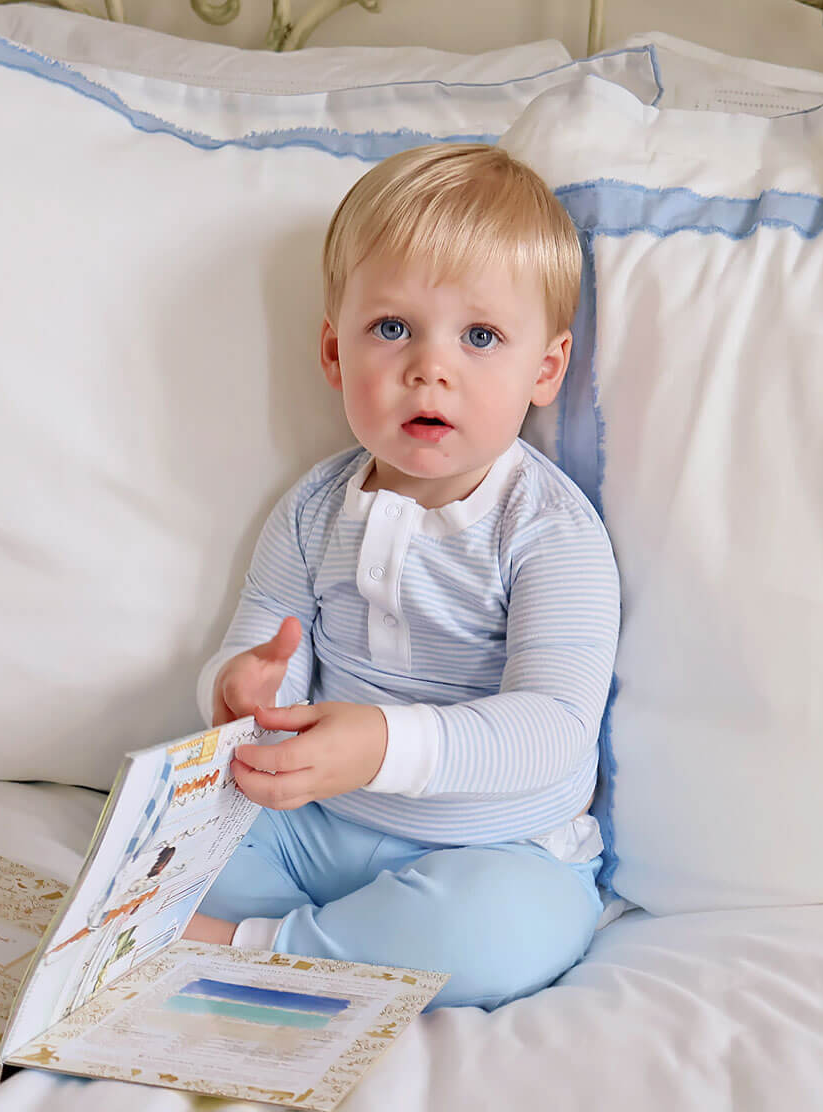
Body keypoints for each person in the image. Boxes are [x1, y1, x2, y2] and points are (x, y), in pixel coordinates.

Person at [183, 143, 620, 1011]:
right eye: (393, 329)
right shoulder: (314, 507)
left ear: (545, 370)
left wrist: (386, 745)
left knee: (506, 931)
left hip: (489, 847)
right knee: (165, 834)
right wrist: (238, 690)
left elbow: (555, 727)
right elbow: (264, 630)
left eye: (481, 336)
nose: (431, 366)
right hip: (317, 829)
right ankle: (311, 940)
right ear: (336, 353)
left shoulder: (548, 531)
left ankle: (254, 952)